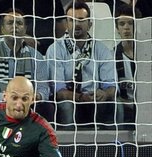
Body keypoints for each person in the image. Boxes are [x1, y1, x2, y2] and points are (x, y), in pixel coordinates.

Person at [46, 1, 117, 130]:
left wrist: (105, 94)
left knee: (116, 105)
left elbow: (111, 85)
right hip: (69, 98)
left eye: (81, 20)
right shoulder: (55, 49)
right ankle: (68, 148)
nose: (76, 24)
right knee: (67, 106)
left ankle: (110, 147)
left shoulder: (102, 50)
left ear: (89, 24)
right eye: (71, 20)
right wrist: (80, 97)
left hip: (94, 98)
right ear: (66, 24)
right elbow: (58, 90)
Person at [0, 8, 54, 122]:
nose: (15, 27)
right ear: (2, 29)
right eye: (10, 23)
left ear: (25, 29)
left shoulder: (36, 56)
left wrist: (36, 96)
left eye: (19, 23)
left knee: (47, 108)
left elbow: (44, 89)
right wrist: (4, 97)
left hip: (27, 106)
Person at [0, 0, 66, 55]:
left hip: (45, 52)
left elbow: (61, 34)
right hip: (12, 52)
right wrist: (20, 36)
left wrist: (40, 45)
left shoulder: (53, 2)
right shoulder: (4, 2)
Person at [114, 4, 141, 129]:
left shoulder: (147, 55)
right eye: (122, 24)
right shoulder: (112, 56)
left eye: (130, 23)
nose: (126, 28)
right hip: (125, 108)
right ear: (117, 28)